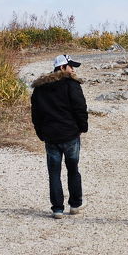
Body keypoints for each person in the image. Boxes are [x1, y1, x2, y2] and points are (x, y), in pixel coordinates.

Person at [31, 54, 88, 219]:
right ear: (62, 67)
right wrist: (83, 128)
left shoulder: (40, 88)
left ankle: (57, 209)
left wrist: (40, 133)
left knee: (54, 173)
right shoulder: (72, 84)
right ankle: (75, 205)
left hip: (51, 137)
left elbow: (36, 114)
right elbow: (80, 108)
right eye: (71, 66)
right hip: (70, 135)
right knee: (73, 170)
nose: (73, 70)